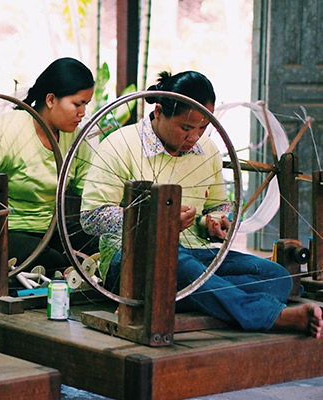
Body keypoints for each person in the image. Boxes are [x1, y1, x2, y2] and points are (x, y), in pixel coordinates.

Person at [80, 70, 323, 337]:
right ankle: (268, 315)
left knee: (278, 279)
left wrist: (218, 220)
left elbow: (220, 206)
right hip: (128, 263)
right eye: (186, 127)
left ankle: (167, 299)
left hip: (197, 256)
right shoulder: (119, 145)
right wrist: (156, 220)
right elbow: (91, 218)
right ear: (159, 112)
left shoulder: (207, 149)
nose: (195, 136)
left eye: (203, 127)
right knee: (175, 258)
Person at [0, 57, 96, 274]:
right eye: (77, 104)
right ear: (51, 99)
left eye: (86, 105)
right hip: (3, 233)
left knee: (100, 243)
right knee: (51, 260)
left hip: (50, 231)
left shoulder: (75, 140)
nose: (82, 113)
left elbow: (92, 190)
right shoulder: (9, 128)